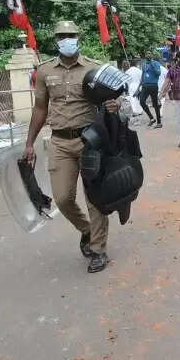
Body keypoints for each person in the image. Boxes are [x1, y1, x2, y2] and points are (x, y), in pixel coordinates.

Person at [22, 20, 120, 273]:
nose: (67, 39)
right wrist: (29, 143)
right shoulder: (44, 71)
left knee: (95, 199)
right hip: (60, 143)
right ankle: (86, 230)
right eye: (62, 35)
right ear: (56, 40)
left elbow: (113, 99)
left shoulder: (94, 68)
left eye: (71, 34)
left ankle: (98, 249)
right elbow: (40, 108)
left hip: (90, 141)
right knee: (63, 198)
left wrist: (115, 105)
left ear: (78, 37)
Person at [139, 52, 163, 129]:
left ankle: (159, 123)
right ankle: (152, 118)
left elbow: (158, 73)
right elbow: (143, 74)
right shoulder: (144, 64)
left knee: (155, 104)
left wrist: (152, 65)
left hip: (153, 86)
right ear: (145, 55)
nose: (148, 55)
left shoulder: (156, 63)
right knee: (141, 101)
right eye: (147, 54)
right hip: (145, 86)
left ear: (152, 55)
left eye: (149, 53)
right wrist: (138, 87)